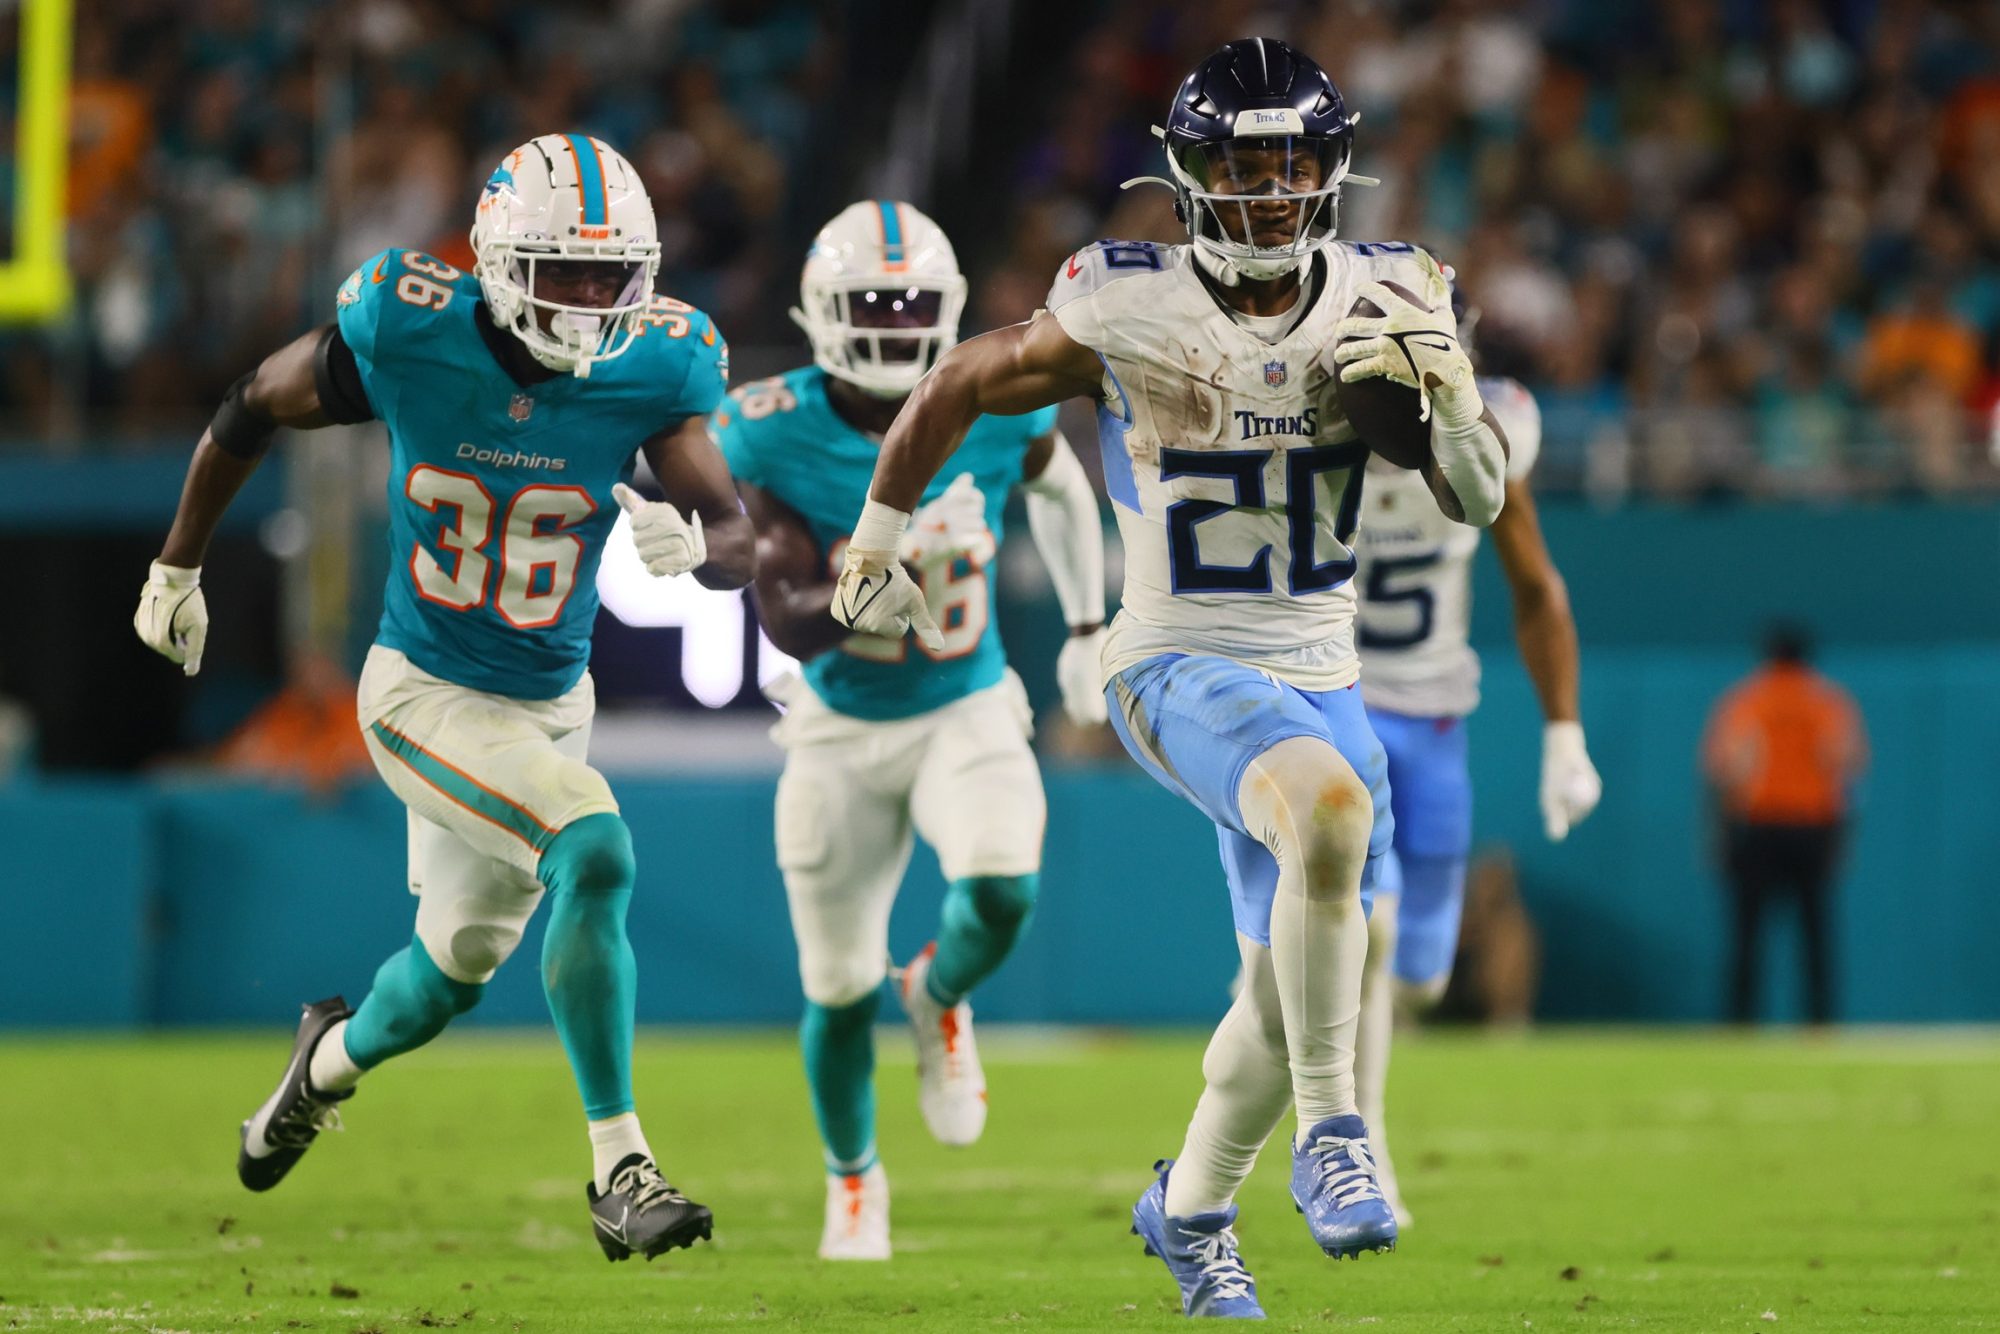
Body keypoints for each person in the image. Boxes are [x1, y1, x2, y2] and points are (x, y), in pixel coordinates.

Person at [826, 39, 1510, 1319]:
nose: (1263, 192)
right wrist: (873, 536)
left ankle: (1188, 1212)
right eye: (1238, 166)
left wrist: (1450, 392)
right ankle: (1334, 1132)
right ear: (1188, 175)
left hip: (1323, 670)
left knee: (1282, 978)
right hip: (1175, 658)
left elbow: (1473, 499)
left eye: (1288, 165)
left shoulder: (1389, 290)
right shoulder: (1124, 300)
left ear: (1330, 173)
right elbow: (964, 377)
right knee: (1328, 820)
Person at [132, 134, 754, 1261]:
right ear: (501, 261)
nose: (588, 299)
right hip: (422, 690)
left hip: (549, 702)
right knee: (594, 843)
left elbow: (741, 537)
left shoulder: (656, 367)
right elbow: (249, 403)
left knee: (446, 976)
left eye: (609, 274)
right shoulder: (408, 328)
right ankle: (622, 1165)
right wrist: (177, 563)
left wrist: (702, 545)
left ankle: (319, 1065)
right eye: (563, 270)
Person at [714, 200, 1106, 1261]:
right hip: (839, 723)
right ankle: (853, 1183)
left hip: (962, 700)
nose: (891, 324)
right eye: (869, 304)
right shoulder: (767, 425)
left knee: (1003, 884)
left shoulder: (993, 396)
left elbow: (1064, 490)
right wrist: (850, 593)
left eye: (909, 305)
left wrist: (1082, 623)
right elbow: (778, 606)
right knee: (834, 983)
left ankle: (935, 992)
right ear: (817, 312)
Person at [1350, 358, 1602, 1226]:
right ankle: (1362, 1147)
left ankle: (1282, 978)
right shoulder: (1300, 425)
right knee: (1370, 938)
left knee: (1418, 976)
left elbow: (1535, 587)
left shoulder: (1490, 431)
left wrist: (1564, 733)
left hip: (1434, 725)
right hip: (1337, 704)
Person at [1702, 624, 1866, 1024]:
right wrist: (1842, 837)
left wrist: (1717, 834)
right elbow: (1847, 766)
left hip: (1758, 827)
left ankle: (1740, 1024)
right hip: (1812, 827)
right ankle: (1819, 1023)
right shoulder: (1828, 702)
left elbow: (1723, 769)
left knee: (1747, 936)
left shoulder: (1746, 700)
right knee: (1815, 935)